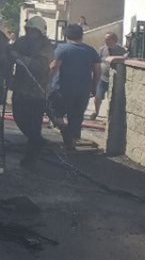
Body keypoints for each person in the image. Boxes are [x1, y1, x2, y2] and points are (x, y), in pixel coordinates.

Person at [8, 16, 54, 167]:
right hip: (21, 90)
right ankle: (37, 142)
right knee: (19, 118)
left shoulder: (46, 47)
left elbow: (39, 67)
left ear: (39, 32)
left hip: (37, 92)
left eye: (32, 31)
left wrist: (20, 58)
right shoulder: (22, 42)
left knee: (34, 125)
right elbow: (11, 52)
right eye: (27, 30)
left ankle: (31, 156)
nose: (29, 33)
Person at [49, 23, 100, 152]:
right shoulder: (90, 50)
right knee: (76, 116)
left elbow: (55, 66)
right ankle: (72, 141)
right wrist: (94, 86)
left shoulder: (62, 49)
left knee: (56, 114)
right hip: (83, 90)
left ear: (66, 35)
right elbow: (97, 70)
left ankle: (65, 134)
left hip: (62, 89)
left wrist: (46, 81)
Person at [91, 32, 126, 120]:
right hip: (102, 78)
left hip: (114, 79)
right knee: (98, 97)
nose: (106, 41)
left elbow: (126, 59)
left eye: (108, 39)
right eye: (105, 39)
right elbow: (96, 62)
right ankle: (96, 112)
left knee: (111, 99)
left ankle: (108, 117)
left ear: (114, 40)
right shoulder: (102, 49)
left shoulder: (121, 50)